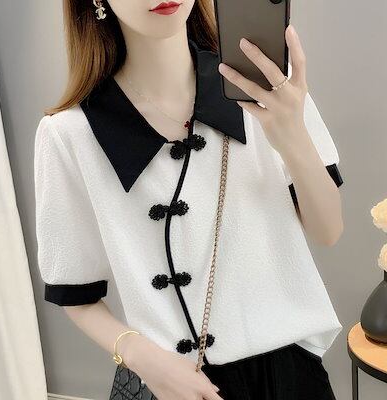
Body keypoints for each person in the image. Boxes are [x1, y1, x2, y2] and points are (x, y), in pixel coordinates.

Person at [34, 1, 344, 399]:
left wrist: (293, 134)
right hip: (169, 383)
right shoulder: (69, 136)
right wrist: (142, 357)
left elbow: (328, 230)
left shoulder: (268, 89)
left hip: (289, 381)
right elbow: (75, 295)